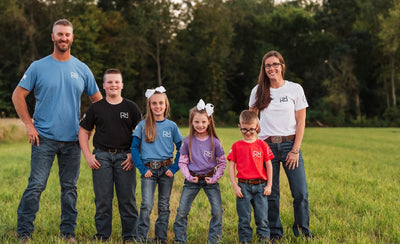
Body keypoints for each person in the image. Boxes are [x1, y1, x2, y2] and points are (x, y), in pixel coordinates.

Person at [11, 19, 102, 243]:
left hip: (73, 140)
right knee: (36, 186)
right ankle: (24, 232)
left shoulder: (82, 68)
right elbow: (18, 95)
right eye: (59, 34)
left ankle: (68, 233)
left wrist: (90, 127)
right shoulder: (38, 67)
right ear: (52, 37)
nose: (63, 38)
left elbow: (97, 101)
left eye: (67, 35)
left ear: (72, 38)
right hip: (43, 138)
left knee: (70, 188)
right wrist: (29, 124)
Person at [249, 50, 313, 240]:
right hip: (266, 147)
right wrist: (253, 145)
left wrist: (295, 149)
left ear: (282, 66)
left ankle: (302, 232)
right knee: (271, 193)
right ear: (264, 68)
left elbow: (301, 122)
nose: (272, 68)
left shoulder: (295, 89)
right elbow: (250, 119)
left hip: (289, 146)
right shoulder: (258, 90)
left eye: (275, 64)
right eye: (268, 65)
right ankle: (275, 234)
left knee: (300, 192)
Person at [78, 68, 142, 242]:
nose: (113, 85)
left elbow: (141, 133)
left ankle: (130, 236)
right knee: (103, 200)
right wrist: (88, 156)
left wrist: (133, 155)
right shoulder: (96, 108)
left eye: (116, 82)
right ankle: (102, 236)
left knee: (127, 200)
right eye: (110, 82)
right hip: (101, 157)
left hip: (125, 158)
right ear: (104, 85)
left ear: (122, 85)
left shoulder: (131, 107)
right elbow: (83, 131)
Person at [131, 86, 183, 244]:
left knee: (164, 205)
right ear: (149, 105)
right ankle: (141, 238)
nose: (158, 106)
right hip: (148, 171)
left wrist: (174, 168)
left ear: (166, 105)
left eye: (161, 103)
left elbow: (183, 149)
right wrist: (142, 168)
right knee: (146, 204)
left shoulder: (172, 126)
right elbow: (134, 148)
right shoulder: (142, 125)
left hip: (166, 170)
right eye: (154, 103)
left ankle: (161, 237)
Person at [173, 99, 227, 244]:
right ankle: (179, 240)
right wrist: (189, 177)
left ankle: (214, 240)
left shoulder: (215, 142)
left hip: (210, 180)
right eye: (197, 122)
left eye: (203, 122)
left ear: (209, 121)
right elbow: (182, 161)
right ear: (192, 122)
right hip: (192, 180)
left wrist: (215, 178)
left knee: (217, 211)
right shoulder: (187, 141)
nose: (200, 125)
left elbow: (222, 162)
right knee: (182, 211)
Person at [227, 110, 274, 243]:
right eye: (244, 130)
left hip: (261, 187)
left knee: (262, 219)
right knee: (244, 219)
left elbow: (269, 165)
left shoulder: (262, 145)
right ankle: (245, 241)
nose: (248, 133)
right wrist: (235, 186)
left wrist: (269, 185)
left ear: (257, 127)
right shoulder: (236, 146)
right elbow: (231, 166)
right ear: (239, 127)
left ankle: (264, 241)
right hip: (243, 187)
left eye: (251, 130)